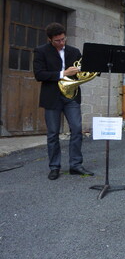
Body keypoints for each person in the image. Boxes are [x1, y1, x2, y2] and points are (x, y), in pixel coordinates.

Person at [33, 22, 94, 180]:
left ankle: (75, 165)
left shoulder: (74, 51)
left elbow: (84, 69)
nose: (61, 43)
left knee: (76, 129)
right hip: (52, 97)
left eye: (63, 39)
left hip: (71, 96)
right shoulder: (41, 51)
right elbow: (39, 75)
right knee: (53, 134)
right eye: (57, 41)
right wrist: (63, 73)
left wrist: (91, 69)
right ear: (50, 40)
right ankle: (54, 167)